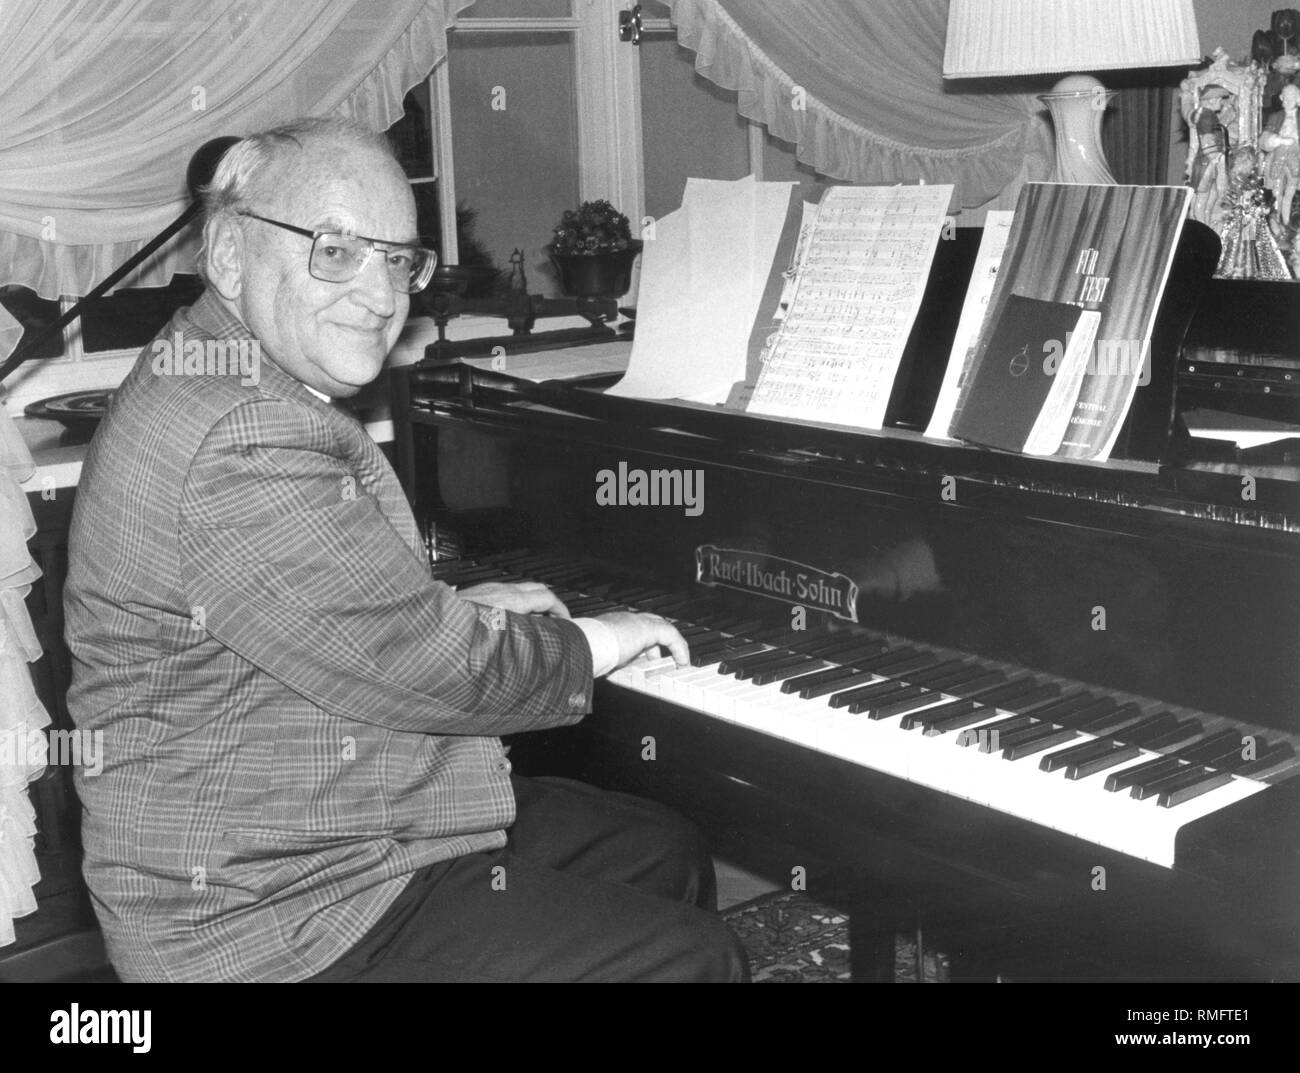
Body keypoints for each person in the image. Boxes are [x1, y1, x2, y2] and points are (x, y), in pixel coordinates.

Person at [63, 116, 748, 983]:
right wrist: (601, 637)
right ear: (231, 253)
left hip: (319, 820)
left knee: (661, 850)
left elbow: (321, 612)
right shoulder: (242, 430)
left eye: (398, 259)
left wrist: (454, 611)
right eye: (336, 251)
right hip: (274, 916)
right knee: (695, 959)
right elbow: (429, 667)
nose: (383, 297)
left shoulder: (221, 365)